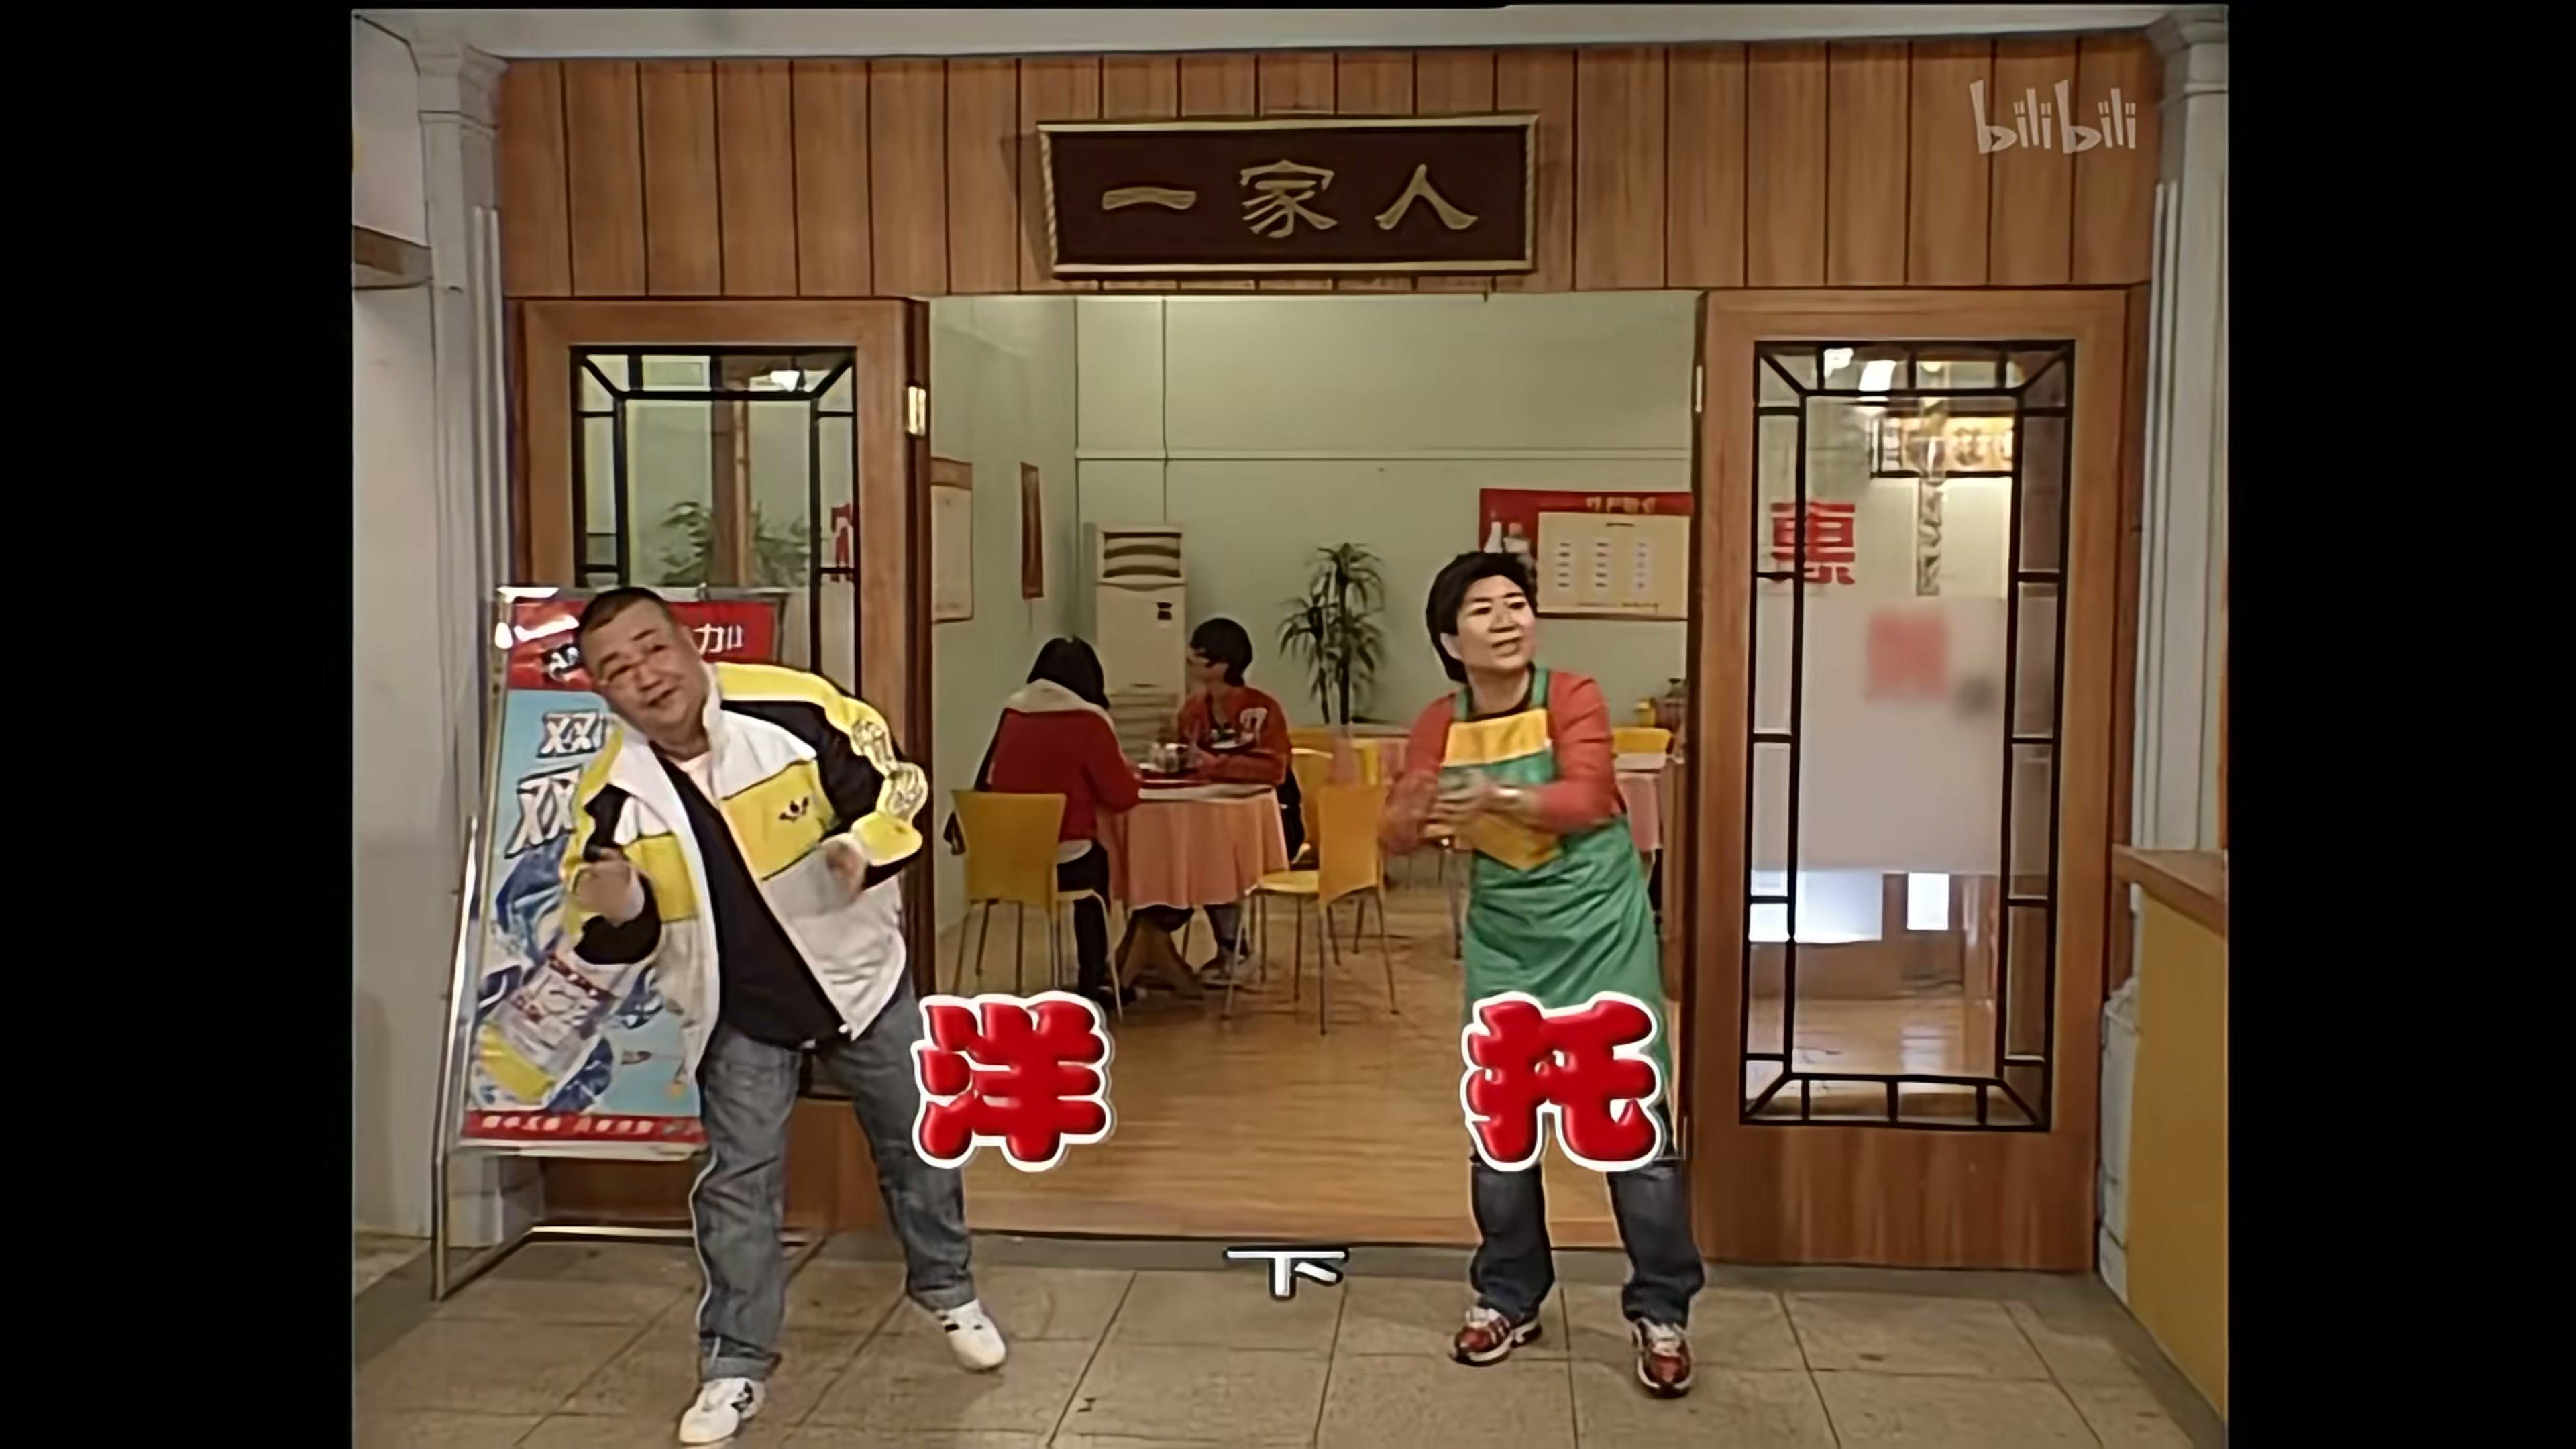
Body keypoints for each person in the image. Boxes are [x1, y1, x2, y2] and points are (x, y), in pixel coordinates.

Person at [560, 588, 1006, 1446]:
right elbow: (606, 926)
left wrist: (861, 848)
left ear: (689, 643)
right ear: (603, 693)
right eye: (617, 669)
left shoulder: (793, 708)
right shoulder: (611, 795)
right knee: (739, 1185)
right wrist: (621, 907)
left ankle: (949, 1291)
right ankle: (734, 1364)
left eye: (652, 648)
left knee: (918, 1142)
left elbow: (899, 787)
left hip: (859, 981)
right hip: (737, 1011)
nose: (645, 676)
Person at [1381, 552, 1703, 1399]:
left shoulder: (1572, 695)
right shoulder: (1439, 720)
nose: (1505, 620)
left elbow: (1589, 798)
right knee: (1503, 1127)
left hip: (1600, 928)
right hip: (1506, 937)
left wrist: (1493, 797)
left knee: (1632, 1123)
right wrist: (1414, 807)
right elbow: (1398, 832)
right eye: (1482, 609)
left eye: (1516, 603)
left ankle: (1662, 1309)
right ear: (1449, 641)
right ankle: (1509, 1295)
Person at [954, 637, 1141, 1012]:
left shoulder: (1013, 712)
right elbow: (1121, 795)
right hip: (1064, 863)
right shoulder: (1089, 721)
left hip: (1002, 862)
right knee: (1098, 867)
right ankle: (1094, 977)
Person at [1133, 617, 1294, 986]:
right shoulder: (1193, 709)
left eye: (1199, 654)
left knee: (1211, 856)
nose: (1189, 659)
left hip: (1267, 818)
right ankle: (1155, 945)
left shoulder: (1262, 709)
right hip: (1204, 815)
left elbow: (1275, 770)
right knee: (1179, 852)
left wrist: (1216, 765)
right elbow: (1184, 756)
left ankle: (1233, 949)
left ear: (1222, 663)